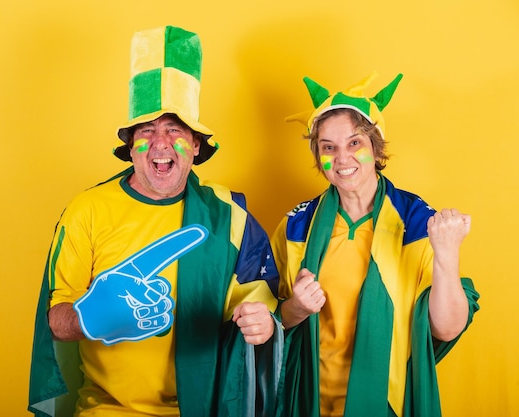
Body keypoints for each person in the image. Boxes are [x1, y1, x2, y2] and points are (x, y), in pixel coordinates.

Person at [27, 26, 282, 417]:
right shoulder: (87, 210)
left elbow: (264, 307)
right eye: (147, 131)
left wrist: (264, 325)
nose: (161, 143)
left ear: (195, 145)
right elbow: (56, 321)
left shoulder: (230, 216)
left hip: (202, 409)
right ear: (130, 146)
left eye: (174, 130)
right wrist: (89, 316)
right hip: (105, 409)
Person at [272, 72, 480, 417]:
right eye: (328, 147)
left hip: (386, 404)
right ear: (318, 155)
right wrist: (295, 307)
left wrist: (447, 256)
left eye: (354, 143)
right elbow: (273, 321)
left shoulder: (416, 222)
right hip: (309, 402)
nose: (342, 158)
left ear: (375, 147)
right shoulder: (296, 227)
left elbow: (447, 327)